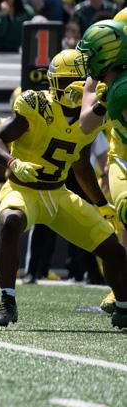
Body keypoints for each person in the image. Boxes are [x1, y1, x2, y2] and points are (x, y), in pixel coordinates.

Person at [0, 49, 127, 328]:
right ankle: (7, 301)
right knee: (11, 221)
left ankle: (123, 306)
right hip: (23, 189)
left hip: (59, 194)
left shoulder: (93, 117)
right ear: (53, 83)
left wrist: (100, 203)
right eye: (67, 80)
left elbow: (81, 165)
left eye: (79, 79)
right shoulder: (36, 105)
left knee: (114, 250)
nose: (73, 86)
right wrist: (13, 163)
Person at [77, 20, 127, 321]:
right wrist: (104, 99)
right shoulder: (113, 87)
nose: (86, 60)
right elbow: (85, 123)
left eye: (92, 54)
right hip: (121, 153)